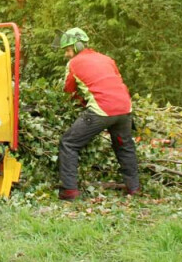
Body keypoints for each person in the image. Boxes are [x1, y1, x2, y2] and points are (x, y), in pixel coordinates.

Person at [57, 27, 140, 200]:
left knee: (69, 143)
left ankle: (69, 191)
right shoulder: (107, 59)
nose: (66, 54)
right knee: (125, 147)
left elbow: (68, 89)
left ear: (78, 46)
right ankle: (134, 188)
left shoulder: (73, 63)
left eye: (68, 50)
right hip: (125, 109)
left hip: (102, 110)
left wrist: (80, 101)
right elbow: (116, 82)